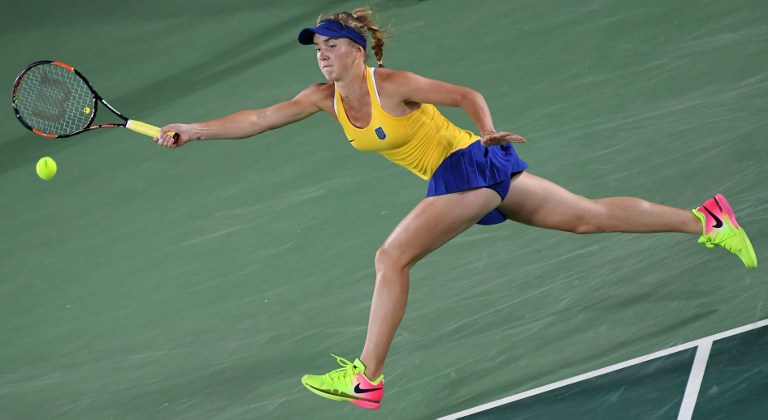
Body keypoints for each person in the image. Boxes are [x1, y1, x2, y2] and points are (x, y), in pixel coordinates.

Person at [154, 7, 758, 410]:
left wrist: (489, 132)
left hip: (469, 165)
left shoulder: (393, 85)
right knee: (585, 216)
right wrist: (194, 128)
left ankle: (367, 376)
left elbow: (467, 94)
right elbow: (259, 119)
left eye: (334, 46)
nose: (323, 55)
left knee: (391, 257)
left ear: (360, 52)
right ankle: (706, 219)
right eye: (318, 47)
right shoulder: (321, 99)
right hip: (467, 173)